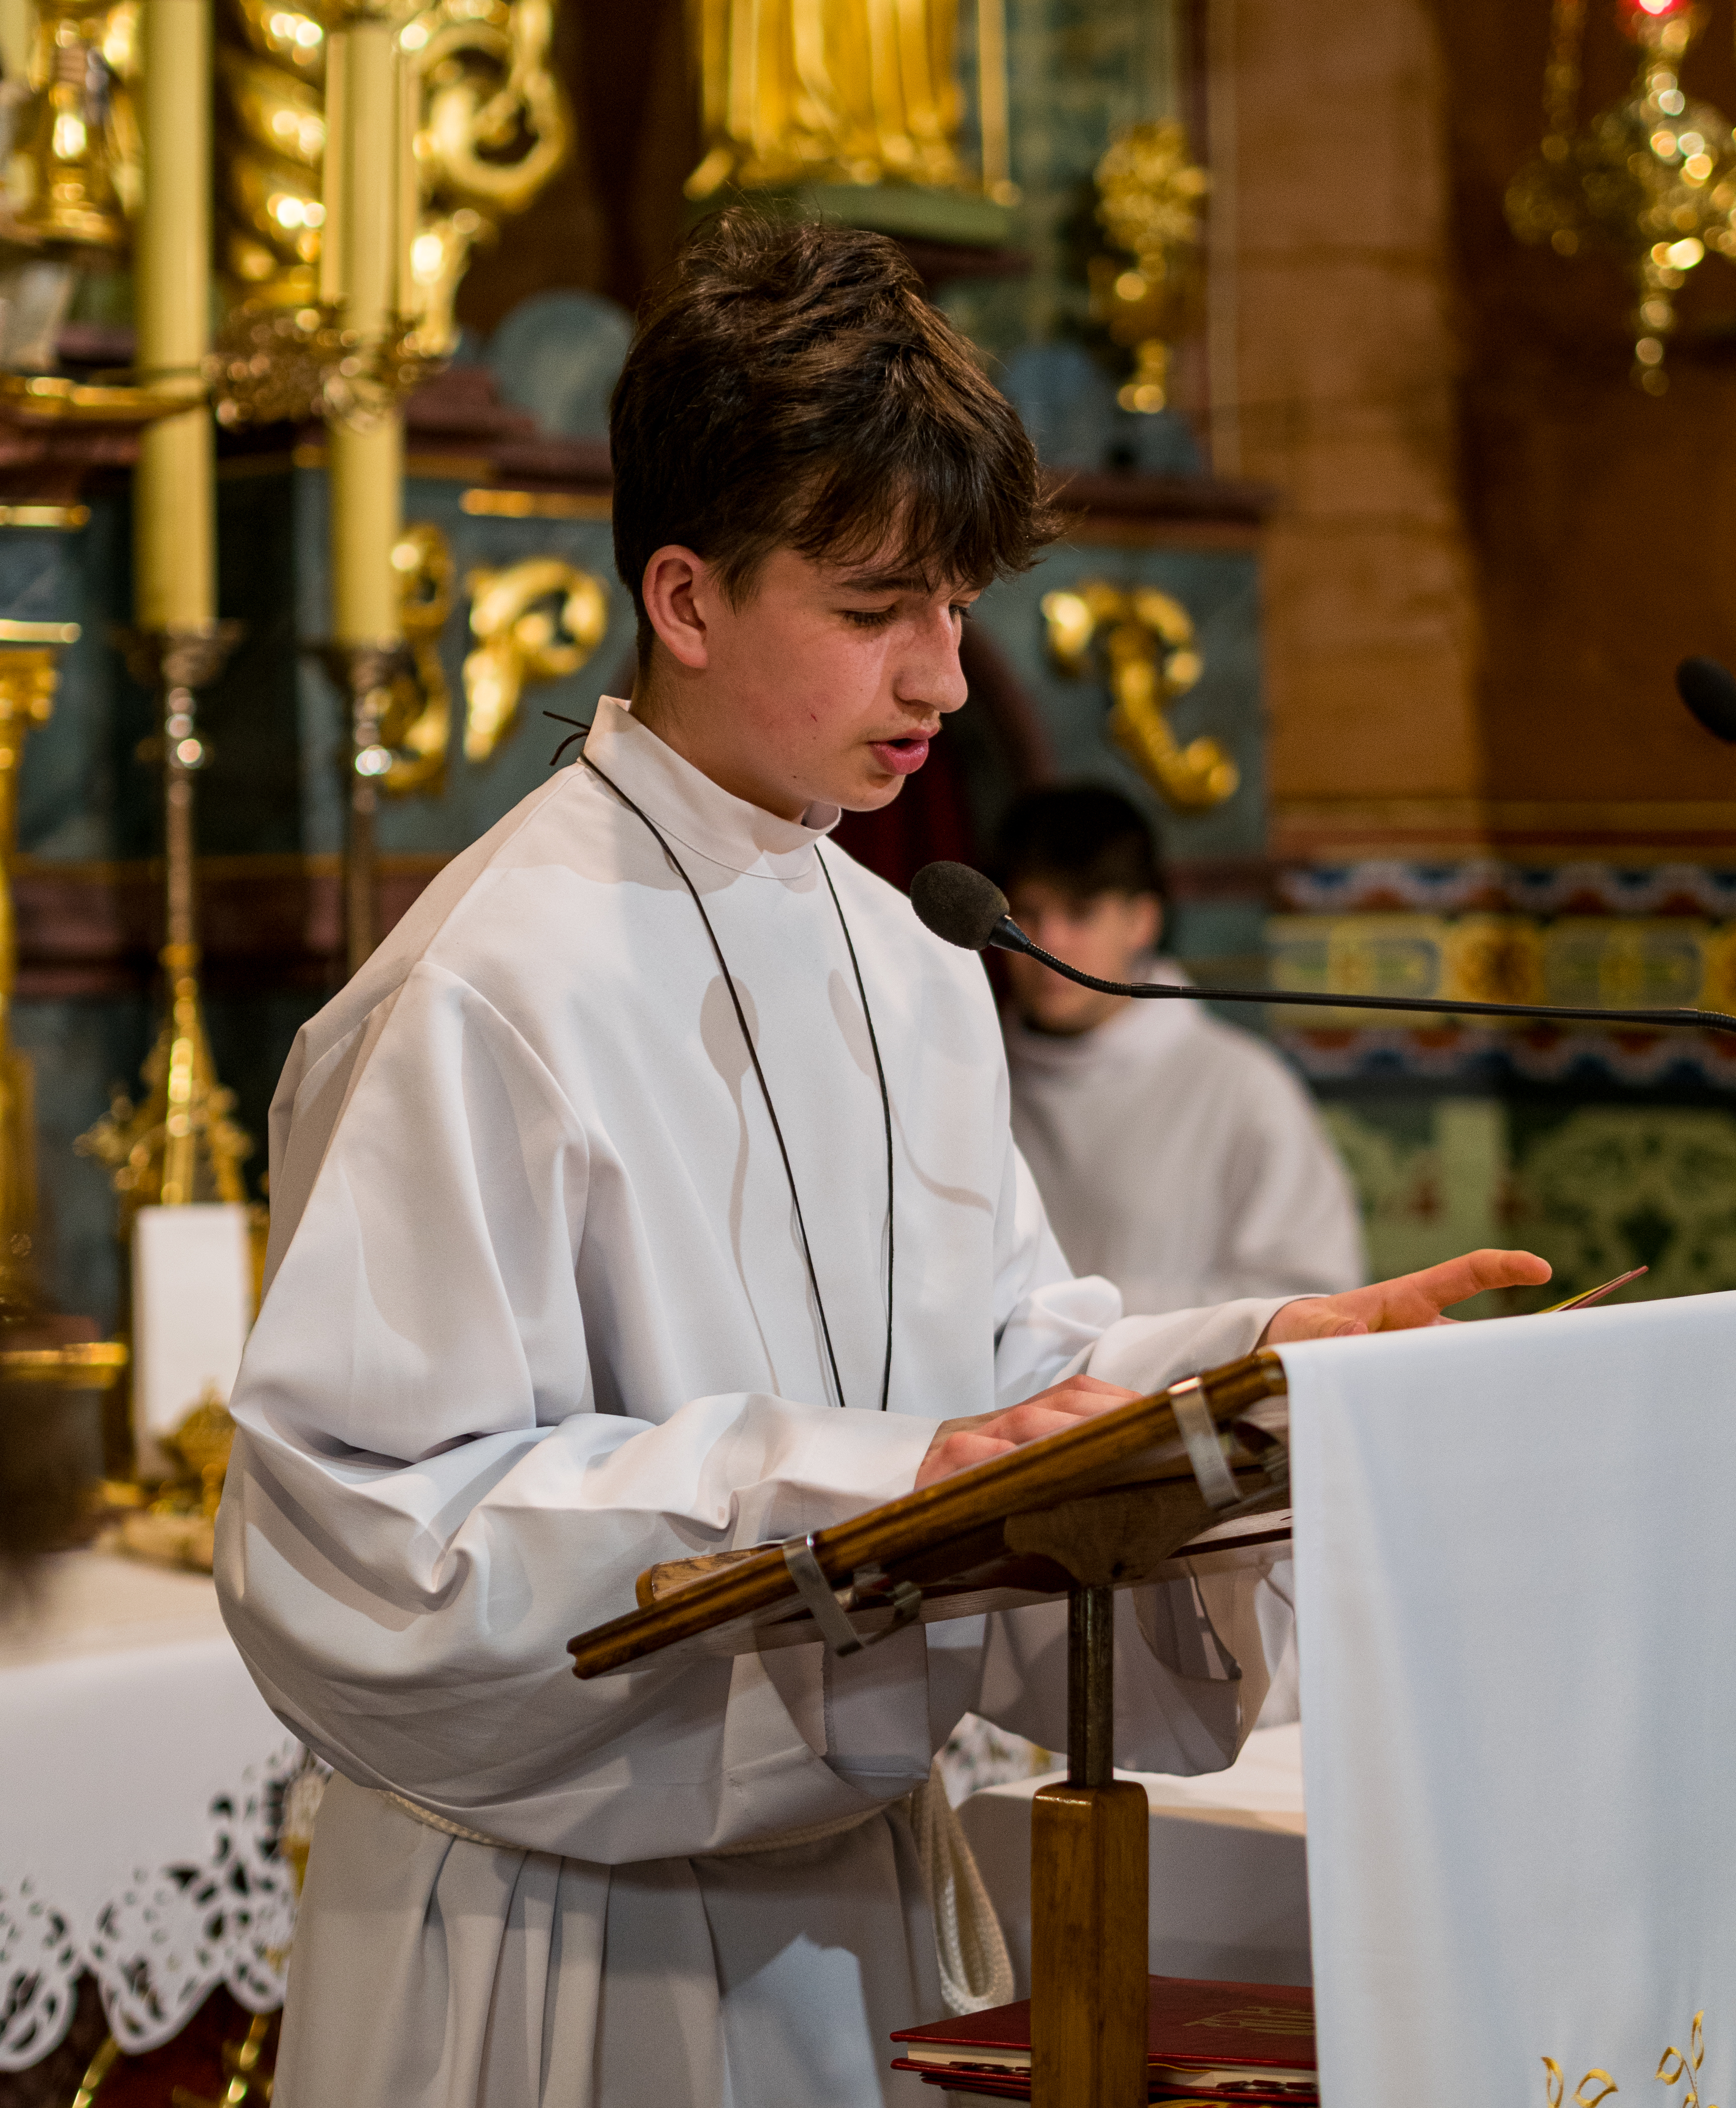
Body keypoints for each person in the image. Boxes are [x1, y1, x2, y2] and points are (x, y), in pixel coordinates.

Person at [215, 216, 1547, 2108]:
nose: (936, 677)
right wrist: (852, 1486)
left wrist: (1256, 1369)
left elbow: (999, 1384)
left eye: (955, 606)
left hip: (865, 1905)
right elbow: (363, 1541)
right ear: (683, 598)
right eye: (872, 610)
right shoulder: (484, 985)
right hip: (574, 1945)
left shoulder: (906, 953)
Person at [998, 785, 1366, 1312]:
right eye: (1025, 915)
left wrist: (1085, 1319)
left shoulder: (1241, 1085)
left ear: (1141, 920)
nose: (1046, 941)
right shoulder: (973, 1077)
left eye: (1079, 913)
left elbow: (1313, 1299)